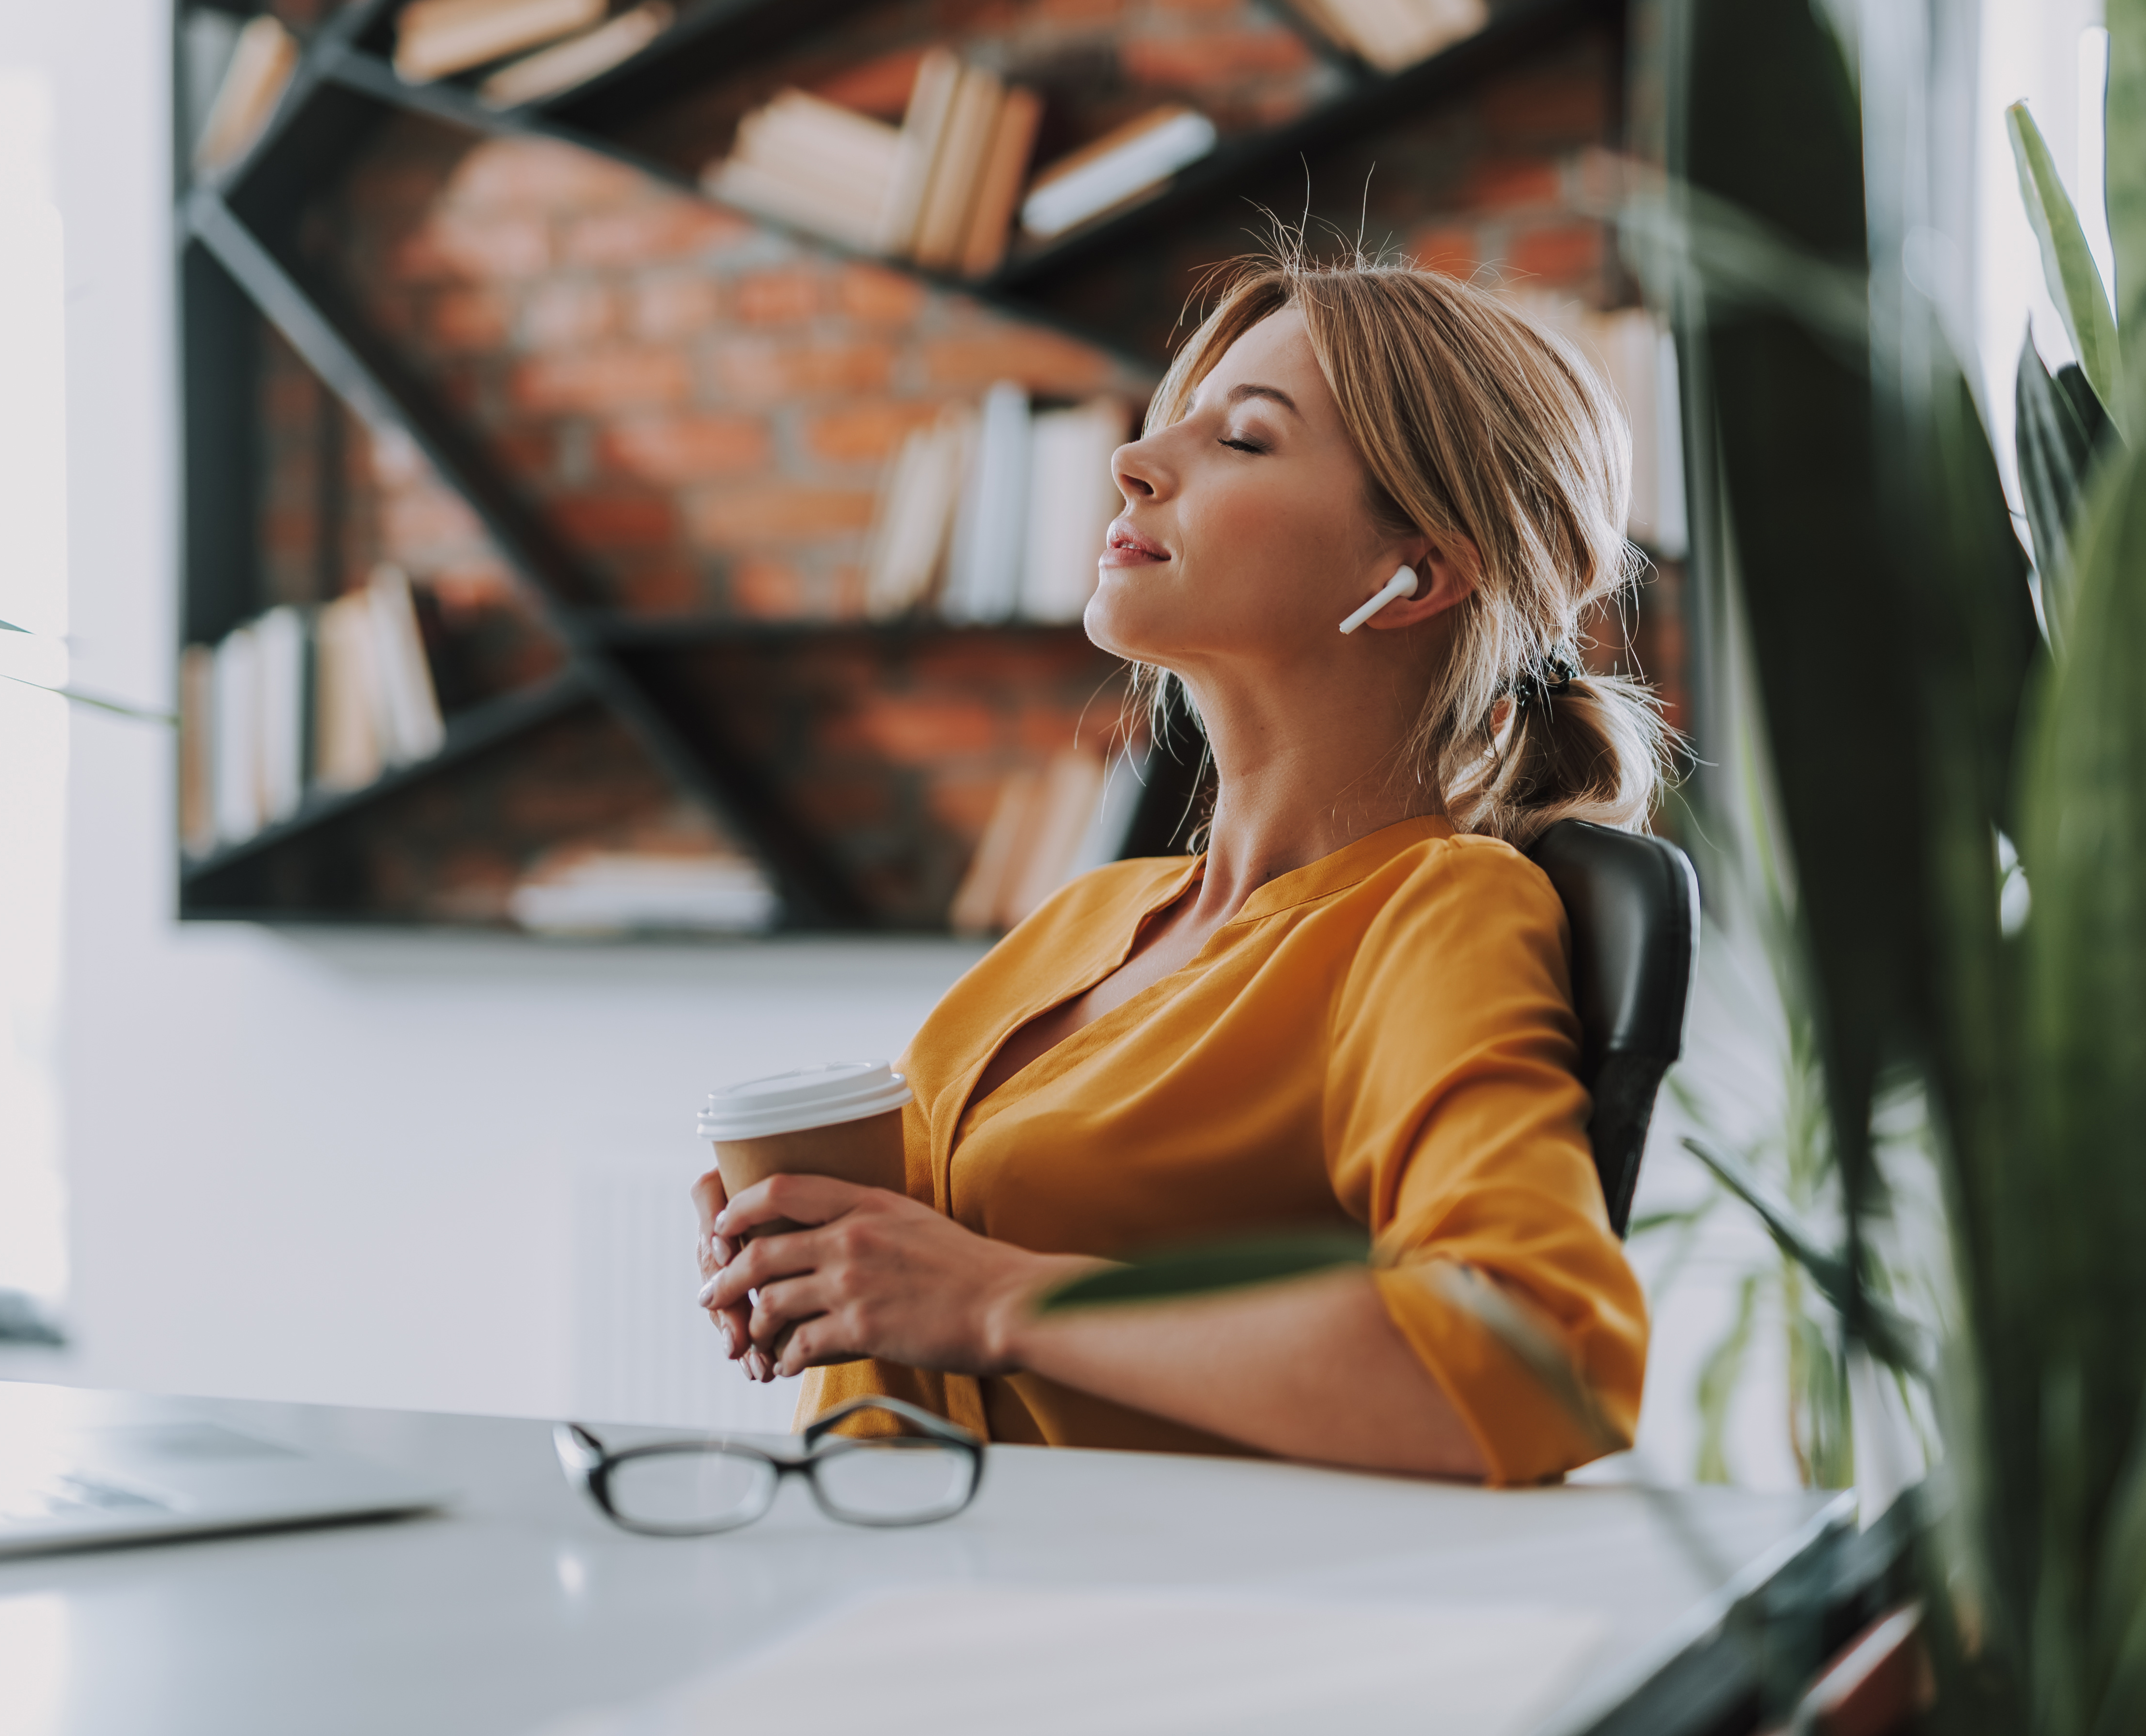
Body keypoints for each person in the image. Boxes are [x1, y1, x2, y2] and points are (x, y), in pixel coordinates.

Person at [692, 249, 1670, 1484]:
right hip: (903, 1590)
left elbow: (1539, 1358)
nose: (1131, 460)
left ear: (1413, 571)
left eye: (1245, 441)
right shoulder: (1089, 916)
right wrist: (819, 1258)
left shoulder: (1432, 915)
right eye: (1171, 424)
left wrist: (996, 1300)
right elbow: (928, 1295)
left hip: (1162, 1642)